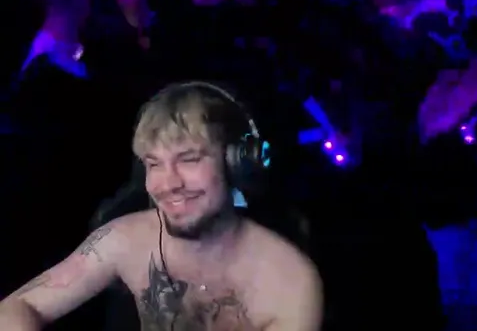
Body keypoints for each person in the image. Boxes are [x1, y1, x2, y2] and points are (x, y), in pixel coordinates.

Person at [0, 83, 322, 330]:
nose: (168, 183)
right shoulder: (123, 239)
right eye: (154, 164)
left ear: (237, 165)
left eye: (189, 159)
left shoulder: (288, 284)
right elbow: (15, 308)